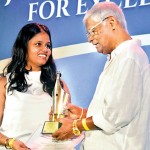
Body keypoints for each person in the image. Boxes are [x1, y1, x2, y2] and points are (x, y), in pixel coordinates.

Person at [52, 2, 150, 150]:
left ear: (111, 23)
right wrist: (83, 114)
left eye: (92, 31)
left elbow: (115, 116)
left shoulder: (129, 57)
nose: (90, 39)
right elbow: (117, 109)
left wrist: (74, 126)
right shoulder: (119, 58)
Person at [0, 23, 70, 149]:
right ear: (23, 47)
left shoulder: (59, 85)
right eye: (38, 44)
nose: (45, 49)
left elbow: (67, 127)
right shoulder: (4, 83)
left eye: (48, 45)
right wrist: (10, 142)